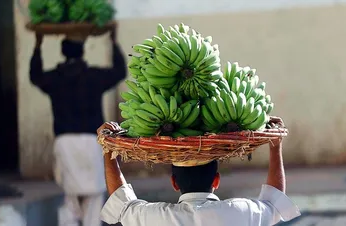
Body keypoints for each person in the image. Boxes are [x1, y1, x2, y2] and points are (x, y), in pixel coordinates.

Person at [99, 117, 301, 226]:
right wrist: (275, 146)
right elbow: (274, 203)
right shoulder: (241, 212)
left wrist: (108, 148)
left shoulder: (155, 217)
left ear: (174, 182)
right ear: (216, 180)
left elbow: (122, 204)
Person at [29, 26, 127, 226]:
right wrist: (113, 42)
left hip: (65, 142)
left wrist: (38, 46)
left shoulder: (54, 78)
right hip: (92, 142)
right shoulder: (93, 76)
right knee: (94, 198)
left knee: (70, 197)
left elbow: (35, 76)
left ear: (63, 52)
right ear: (83, 51)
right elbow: (119, 71)